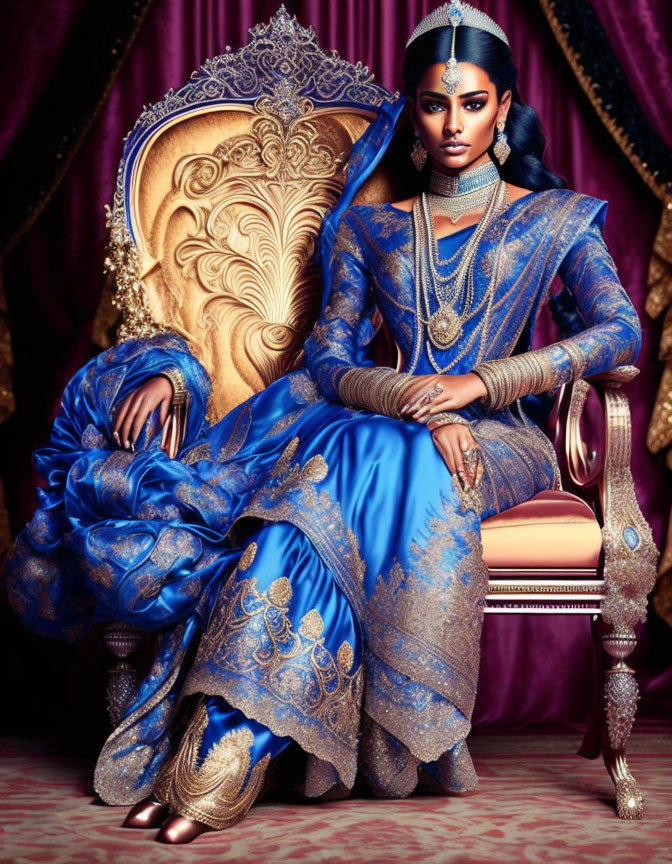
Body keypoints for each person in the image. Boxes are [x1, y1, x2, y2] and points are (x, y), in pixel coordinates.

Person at [6, 1, 641, 845]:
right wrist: (419, 402)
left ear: (504, 109)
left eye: (474, 102)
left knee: (354, 453)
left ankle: (225, 745)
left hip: (505, 438)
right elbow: (329, 360)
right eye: (434, 103)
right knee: (362, 446)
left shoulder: (557, 220)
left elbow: (619, 331)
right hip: (392, 426)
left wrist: (479, 384)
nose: (453, 124)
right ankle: (231, 740)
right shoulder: (371, 229)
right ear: (411, 112)